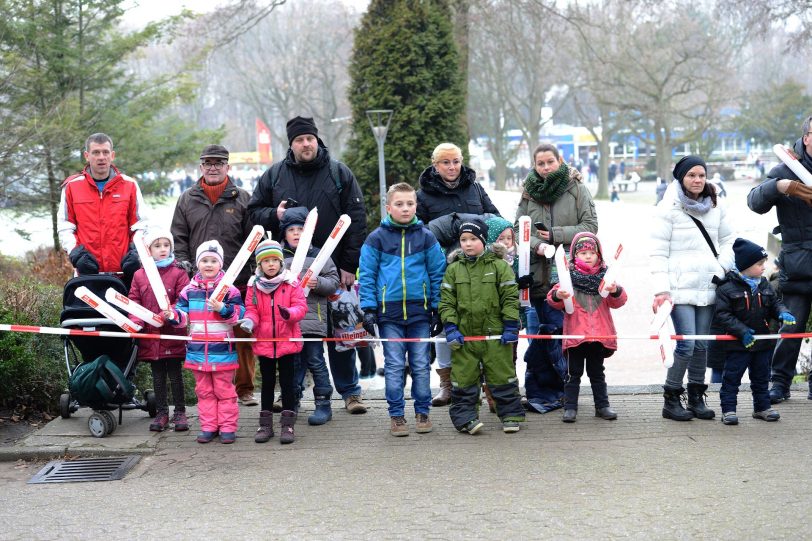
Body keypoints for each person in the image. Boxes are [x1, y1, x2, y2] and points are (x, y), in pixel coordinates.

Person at [248, 116, 369, 414]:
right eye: (300, 140)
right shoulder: (275, 175)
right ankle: (290, 393)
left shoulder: (339, 173)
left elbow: (357, 218)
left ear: (317, 140)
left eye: (310, 139)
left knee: (340, 335)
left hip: (332, 270)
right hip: (288, 275)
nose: (306, 144)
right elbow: (252, 214)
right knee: (295, 340)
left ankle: (350, 392)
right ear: (291, 144)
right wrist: (273, 215)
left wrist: (349, 265)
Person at [170, 144, 258, 407]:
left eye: (218, 163)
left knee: (241, 337)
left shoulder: (242, 198)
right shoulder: (187, 198)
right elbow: (178, 236)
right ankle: (209, 389)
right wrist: (184, 264)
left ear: (227, 167)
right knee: (206, 335)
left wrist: (252, 272)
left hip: (237, 282)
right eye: (208, 163)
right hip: (201, 285)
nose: (213, 167)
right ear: (201, 167)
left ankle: (244, 389)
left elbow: (251, 239)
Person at [415, 142, 501, 407]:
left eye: (455, 161)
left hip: (478, 265)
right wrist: (458, 225)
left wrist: (454, 222)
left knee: (481, 323)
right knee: (444, 324)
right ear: (435, 165)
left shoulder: (474, 187)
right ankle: (447, 383)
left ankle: (488, 384)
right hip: (444, 268)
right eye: (445, 162)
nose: (452, 167)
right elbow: (421, 232)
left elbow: (495, 219)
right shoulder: (424, 194)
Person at [651, 155, 735, 421]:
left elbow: (730, 239)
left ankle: (697, 395)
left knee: (702, 345)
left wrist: (720, 269)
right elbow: (657, 252)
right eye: (691, 175)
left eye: (701, 175)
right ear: (681, 178)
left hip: (708, 285)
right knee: (686, 344)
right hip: (678, 288)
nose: (697, 180)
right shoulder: (668, 208)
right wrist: (661, 289)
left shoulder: (717, 206)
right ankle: (671, 397)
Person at [516, 143, 598, 415]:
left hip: (566, 277)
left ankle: (564, 391)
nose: (546, 167)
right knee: (537, 336)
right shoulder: (529, 192)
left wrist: (556, 235)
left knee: (558, 335)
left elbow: (590, 227)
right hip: (536, 274)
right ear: (535, 166)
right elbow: (519, 228)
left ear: (559, 161)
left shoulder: (576, 189)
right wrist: (536, 244)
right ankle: (539, 393)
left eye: (550, 161)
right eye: (541, 163)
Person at [359, 183, 446, 436]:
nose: (405, 208)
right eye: (399, 204)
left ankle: (423, 411)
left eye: (410, 204)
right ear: (388, 208)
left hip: (420, 312)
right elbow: (366, 275)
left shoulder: (426, 237)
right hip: (390, 315)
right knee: (395, 365)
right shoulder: (376, 238)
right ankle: (396, 415)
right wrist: (368, 308)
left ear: (416, 206)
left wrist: (438, 307)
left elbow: (437, 273)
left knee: (420, 364)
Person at [747, 115, 812, 403]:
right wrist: (779, 187)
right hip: (797, 266)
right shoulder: (786, 168)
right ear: (807, 137)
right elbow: (754, 202)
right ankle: (779, 384)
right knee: (791, 328)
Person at [438, 220, 525, 434]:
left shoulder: (499, 266)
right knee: (463, 379)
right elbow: (446, 301)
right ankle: (466, 419)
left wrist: (511, 325)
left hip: (495, 335)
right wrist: (450, 326)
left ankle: (511, 415)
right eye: (464, 240)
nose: (468, 244)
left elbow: (510, 298)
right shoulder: (453, 269)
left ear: (484, 241)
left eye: (473, 239)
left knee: (502, 375)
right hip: (464, 337)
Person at [165, 240, 245, 444]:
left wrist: (223, 309)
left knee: (224, 391)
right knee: (204, 391)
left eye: (213, 261)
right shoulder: (189, 290)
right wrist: (173, 316)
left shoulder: (230, 290)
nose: (208, 265)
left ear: (220, 264)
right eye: (204, 261)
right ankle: (209, 426)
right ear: (197, 264)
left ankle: (227, 427)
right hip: (197, 350)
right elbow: (182, 316)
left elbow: (238, 315)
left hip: (222, 351)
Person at [546, 232, 627, 423]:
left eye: (592, 252)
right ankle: (570, 408)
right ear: (575, 256)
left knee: (597, 373)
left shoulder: (606, 278)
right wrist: (558, 295)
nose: (588, 256)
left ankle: (602, 406)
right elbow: (552, 300)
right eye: (583, 253)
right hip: (576, 336)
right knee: (573, 374)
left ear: (599, 254)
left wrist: (616, 291)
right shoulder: (567, 278)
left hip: (600, 336)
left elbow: (619, 302)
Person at [711, 238, 793, 425]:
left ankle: (762, 407)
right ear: (745, 266)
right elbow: (723, 315)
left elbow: (775, 304)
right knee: (732, 378)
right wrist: (742, 331)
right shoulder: (726, 289)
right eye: (759, 264)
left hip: (762, 343)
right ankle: (729, 410)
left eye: (763, 263)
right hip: (738, 343)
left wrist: (783, 313)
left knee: (761, 377)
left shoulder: (764, 284)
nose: (764, 267)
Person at [240, 240, 307, 444]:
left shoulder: (291, 282)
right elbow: (251, 309)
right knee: (267, 383)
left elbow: (301, 306)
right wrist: (250, 321)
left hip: (287, 341)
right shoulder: (254, 285)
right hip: (265, 341)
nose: (271, 264)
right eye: (266, 261)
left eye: (274, 260)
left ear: (281, 262)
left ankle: (287, 425)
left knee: (288, 383)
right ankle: (265, 425)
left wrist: (290, 314)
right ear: (259, 265)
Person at [57, 133, 147, 283]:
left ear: (112, 155)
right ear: (87, 155)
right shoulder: (71, 187)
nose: (101, 157)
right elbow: (65, 227)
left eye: (105, 152)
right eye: (96, 152)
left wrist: (136, 252)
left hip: (124, 273)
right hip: (87, 272)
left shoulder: (129, 185)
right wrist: (76, 254)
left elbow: (141, 225)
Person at [280, 207, 340, 426]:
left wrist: (319, 283)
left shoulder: (320, 255)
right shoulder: (277, 256)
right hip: (288, 323)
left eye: (301, 229)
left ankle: (323, 404)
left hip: (313, 321)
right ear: (284, 233)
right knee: (293, 365)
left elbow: (333, 281)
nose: (296, 233)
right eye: (292, 229)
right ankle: (292, 403)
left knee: (316, 361)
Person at [127, 226, 190, 432]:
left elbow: (184, 299)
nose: (162, 249)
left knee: (175, 374)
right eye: (157, 245)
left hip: (172, 333)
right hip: (151, 335)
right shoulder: (139, 275)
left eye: (166, 245)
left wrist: (171, 314)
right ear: (148, 249)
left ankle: (180, 412)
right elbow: (134, 300)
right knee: (158, 376)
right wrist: (135, 321)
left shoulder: (179, 272)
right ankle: (162, 413)